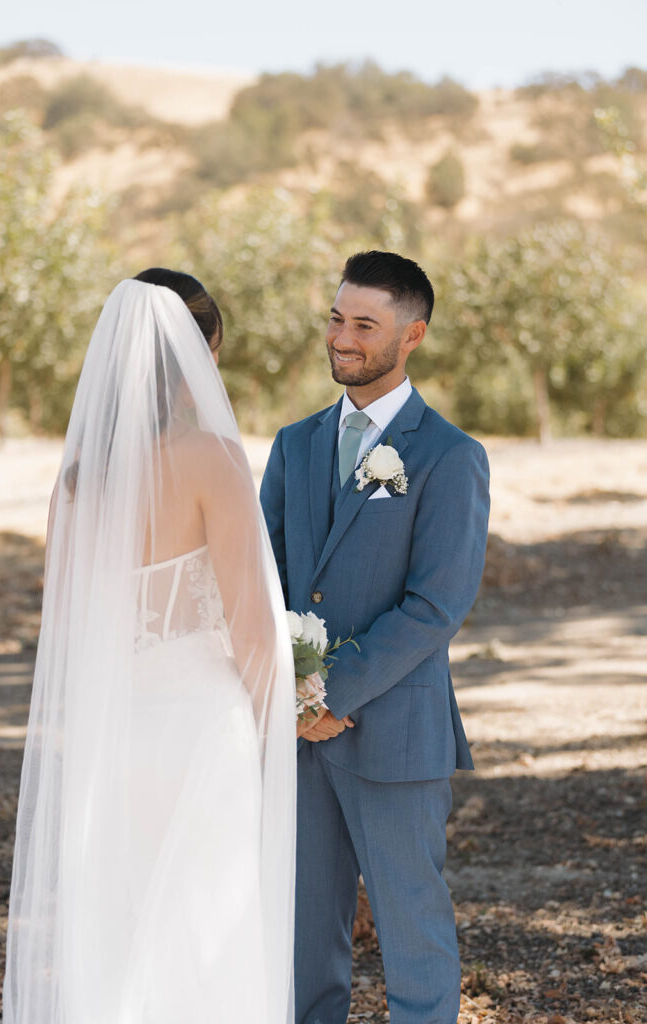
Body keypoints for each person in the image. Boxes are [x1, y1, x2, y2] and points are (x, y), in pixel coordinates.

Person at [3, 269, 296, 1024]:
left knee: (125, 928)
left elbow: (68, 628)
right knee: (205, 933)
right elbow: (254, 631)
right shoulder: (211, 460)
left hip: (116, 734)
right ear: (195, 359)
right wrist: (274, 744)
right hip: (203, 731)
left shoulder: (75, 484)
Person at [260, 250, 490, 1024]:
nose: (342, 337)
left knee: (412, 933)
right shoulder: (292, 445)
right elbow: (264, 579)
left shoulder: (451, 456)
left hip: (394, 735)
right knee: (300, 938)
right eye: (335, 317)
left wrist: (330, 690)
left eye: (364, 324)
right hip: (293, 739)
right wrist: (290, 698)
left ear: (412, 334)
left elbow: (436, 604)